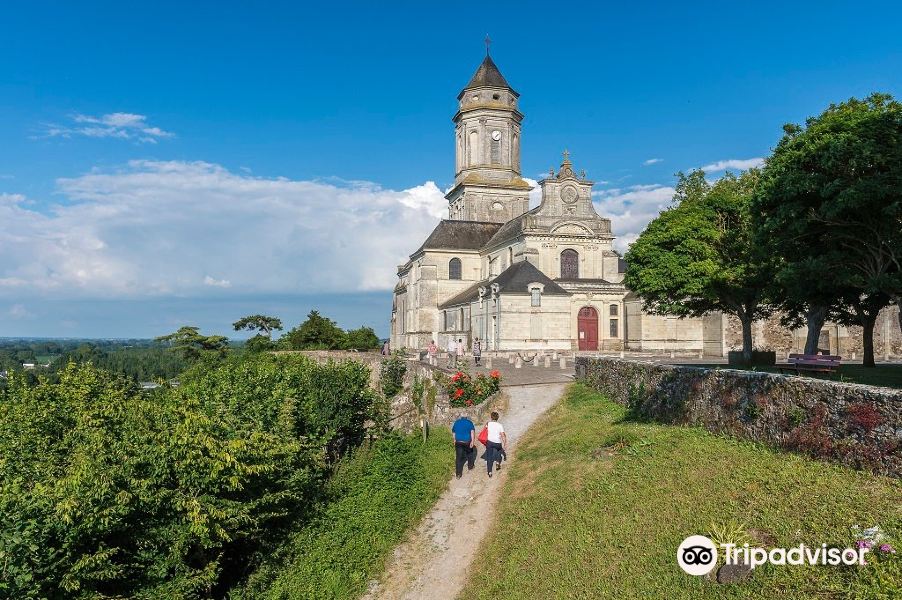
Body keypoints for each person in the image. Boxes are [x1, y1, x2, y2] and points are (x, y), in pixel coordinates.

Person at [451, 414, 476, 479]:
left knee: (458, 458)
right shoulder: (469, 422)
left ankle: (458, 474)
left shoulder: (456, 422)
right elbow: (472, 432)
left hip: (458, 442)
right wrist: (472, 441)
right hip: (467, 442)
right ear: (466, 417)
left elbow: (453, 432)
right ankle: (470, 466)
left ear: (461, 417)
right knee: (470, 454)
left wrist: (454, 440)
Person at [484, 411, 507, 478]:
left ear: (491, 417)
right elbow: (503, 435)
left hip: (489, 442)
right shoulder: (500, 425)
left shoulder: (488, 424)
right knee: (499, 450)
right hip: (497, 442)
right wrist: (505, 443)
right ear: (497, 418)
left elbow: (485, 431)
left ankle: (490, 472)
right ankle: (497, 463)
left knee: (489, 457)